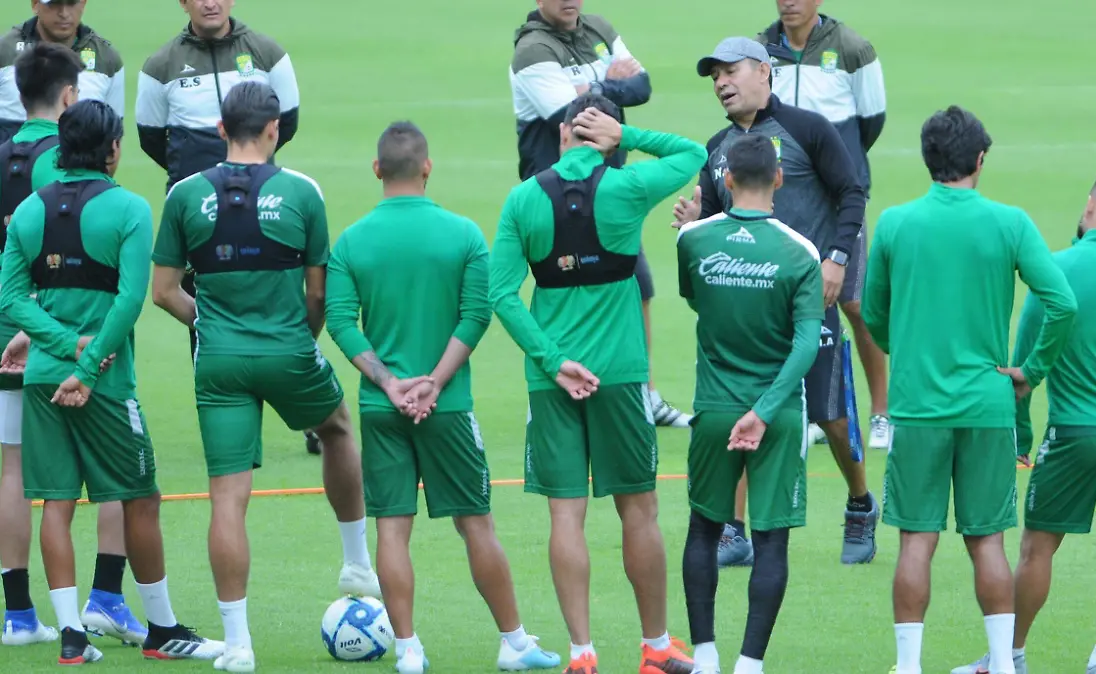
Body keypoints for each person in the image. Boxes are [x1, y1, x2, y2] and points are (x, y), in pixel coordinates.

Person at [149, 81, 377, 674]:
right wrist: (301, 337)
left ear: (220, 130)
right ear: (274, 130)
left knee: (228, 498)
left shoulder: (183, 194)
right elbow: (318, 291)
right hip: (288, 349)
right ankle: (356, 561)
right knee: (337, 428)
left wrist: (207, 323)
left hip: (218, 359)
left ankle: (240, 646)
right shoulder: (303, 192)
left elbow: (164, 292)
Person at [325, 120, 562, 674]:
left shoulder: (353, 240)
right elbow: (476, 315)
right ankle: (514, 642)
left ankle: (407, 650)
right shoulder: (463, 234)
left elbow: (340, 322)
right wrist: (434, 381)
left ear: (377, 170)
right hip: (448, 407)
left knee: (391, 528)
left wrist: (390, 383)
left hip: (381, 409)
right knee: (476, 523)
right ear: (426, 168)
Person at [0, 98, 224, 666]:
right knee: (140, 498)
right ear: (114, 150)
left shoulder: (29, 211)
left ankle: (72, 634)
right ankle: (162, 628)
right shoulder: (127, 208)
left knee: (55, 503)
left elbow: (10, 301)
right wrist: (89, 362)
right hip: (104, 384)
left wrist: (62, 348)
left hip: (43, 382)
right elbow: (128, 302)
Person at [490, 93, 703, 674]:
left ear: (561, 135)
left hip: (551, 383)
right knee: (640, 511)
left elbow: (501, 295)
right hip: (621, 375)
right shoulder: (627, 190)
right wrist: (627, 139)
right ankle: (656, 647)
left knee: (566, 515)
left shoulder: (523, 199)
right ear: (606, 135)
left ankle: (582, 656)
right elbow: (693, 153)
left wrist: (552, 360)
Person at [860, 105, 1078, 674]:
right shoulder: (1009, 222)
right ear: (979, 160)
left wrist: (906, 350)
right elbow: (1062, 302)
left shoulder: (896, 223)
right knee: (987, 541)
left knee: (916, 540)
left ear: (929, 160)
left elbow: (875, 316)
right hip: (987, 405)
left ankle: (908, 666)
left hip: (919, 406)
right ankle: (1004, 664)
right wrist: (1031, 369)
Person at [952, 171, 1096, 674]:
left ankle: (1007, 656)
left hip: (1074, 433)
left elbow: (1021, 364)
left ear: (1088, 209)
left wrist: (1021, 435)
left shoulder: (1053, 271)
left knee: (1038, 548)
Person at [674, 36, 875, 567]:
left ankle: (859, 502)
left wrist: (837, 258)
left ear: (765, 72)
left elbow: (853, 192)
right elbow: (717, 221)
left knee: (831, 416)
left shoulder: (808, 129)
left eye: (730, 70)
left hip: (809, 298)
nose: (721, 82)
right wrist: (694, 224)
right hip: (747, 308)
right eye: (714, 75)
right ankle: (731, 530)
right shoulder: (716, 149)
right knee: (741, 406)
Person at [0, 41, 145, 650]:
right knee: (113, 476)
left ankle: (20, 613)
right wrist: (69, 342)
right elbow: (69, 253)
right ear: (70, 97)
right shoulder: (55, 170)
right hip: (62, 337)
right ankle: (106, 598)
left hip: (19, 329)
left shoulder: (5, 154)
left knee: (15, 471)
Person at [134, 0, 318, 456]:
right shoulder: (161, 65)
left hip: (262, 201)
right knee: (201, 305)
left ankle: (309, 409)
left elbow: (287, 120)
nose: (209, 2)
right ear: (183, 2)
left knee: (281, 299)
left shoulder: (266, 52)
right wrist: (194, 178)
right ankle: (224, 420)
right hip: (199, 213)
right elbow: (151, 135)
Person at [676, 133, 825, 674]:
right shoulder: (800, 252)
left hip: (714, 410)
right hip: (779, 414)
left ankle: (705, 657)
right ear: (779, 179)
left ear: (727, 181)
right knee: (770, 539)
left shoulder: (692, 240)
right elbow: (807, 344)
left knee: (703, 529)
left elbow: (696, 299)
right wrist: (763, 412)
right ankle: (750, 665)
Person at [509, 0, 691, 429]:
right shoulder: (532, 50)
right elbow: (569, 118)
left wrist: (594, 90)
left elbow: (641, 87)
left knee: (637, 284)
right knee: (557, 291)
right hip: (553, 194)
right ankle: (548, 384)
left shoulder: (599, 29)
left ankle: (645, 393)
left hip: (607, 192)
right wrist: (608, 82)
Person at [756, 0, 891, 450]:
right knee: (788, 304)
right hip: (781, 201)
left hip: (837, 201)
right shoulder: (760, 49)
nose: (788, 2)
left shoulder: (852, 49)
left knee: (854, 304)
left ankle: (880, 412)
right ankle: (811, 407)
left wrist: (835, 165)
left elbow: (871, 120)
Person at [0, 0, 125, 144]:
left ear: (83, 3)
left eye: (71, 3)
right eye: (54, 4)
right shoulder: (5, 52)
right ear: (35, 4)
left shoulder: (106, 59)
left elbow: (112, 134)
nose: (64, 13)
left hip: (79, 165)